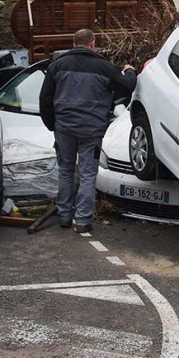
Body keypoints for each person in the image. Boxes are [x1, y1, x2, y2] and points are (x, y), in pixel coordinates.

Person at [39, 29, 136, 234]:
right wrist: (129, 70)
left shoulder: (56, 66)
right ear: (92, 44)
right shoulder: (104, 68)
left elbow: (45, 100)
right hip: (91, 131)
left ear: (74, 43)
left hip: (64, 129)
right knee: (88, 173)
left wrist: (52, 125)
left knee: (65, 171)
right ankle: (82, 220)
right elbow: (126, 87)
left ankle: (64, 215)